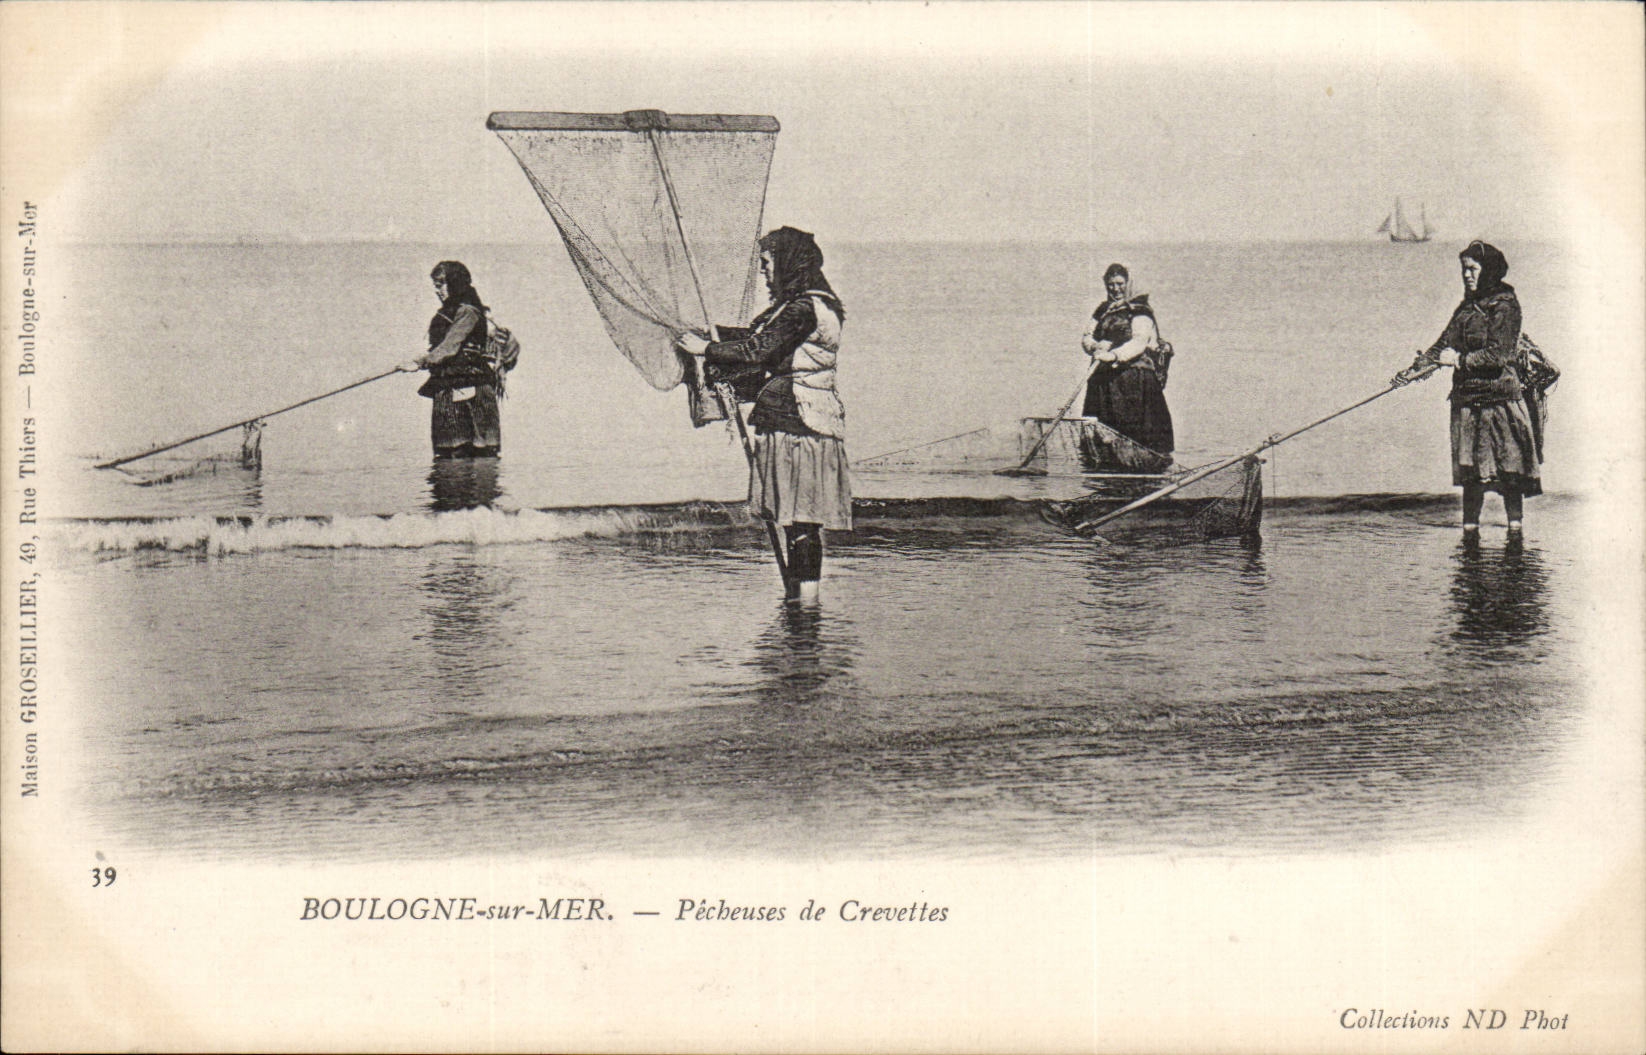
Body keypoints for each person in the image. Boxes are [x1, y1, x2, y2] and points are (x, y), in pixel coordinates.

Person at [675, 227, 851, 599]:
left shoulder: (804, 308)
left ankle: (805, 602)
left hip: (800, 422)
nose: (763, 271)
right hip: (796, 420)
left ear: (789, 263)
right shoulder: (800, 305)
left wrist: (706, 348)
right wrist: (705, 333)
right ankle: (802, 596)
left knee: (801, 520)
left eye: (767, 263)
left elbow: (758, 350)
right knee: (796, 521)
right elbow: (755, 336)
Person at [1392, 240, 1540, 537]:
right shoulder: (1467, 307)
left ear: (1489, 270)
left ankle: (1515, 538)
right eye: (1464, 269)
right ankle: (1469, 536)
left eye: (1472, 269)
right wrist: (1411, 373)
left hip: (1500, 401)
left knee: (1509, 473)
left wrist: (1458, 360)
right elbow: (1441, 346)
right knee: (1471, 475)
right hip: (1467, 401)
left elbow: (1499, 355)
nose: (1467, 275)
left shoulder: (1505, 305)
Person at [401, 261, 501, 459]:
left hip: (472, 386)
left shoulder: (468, 312)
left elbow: (450, 346)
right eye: (435, 286)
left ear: (455, 283)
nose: (437, 291)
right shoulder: (453, 312)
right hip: (448, 386)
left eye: (441, 284)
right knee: (450, 455)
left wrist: (420, 363)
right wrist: (422, 360)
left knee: (478, 454)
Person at [1081, 263, 1174, 457]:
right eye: (1111, 284)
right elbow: (1087, 336)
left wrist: (1114, 355)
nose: (1115, 289)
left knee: (1137, 435)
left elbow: (1139, 342)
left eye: (1120, 283)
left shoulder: (1141, 311)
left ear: (1129, 283)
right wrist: (1094, 346)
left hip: (1133, 382)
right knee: (1102, 438)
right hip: (1103, 381)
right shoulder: (1103, 310)